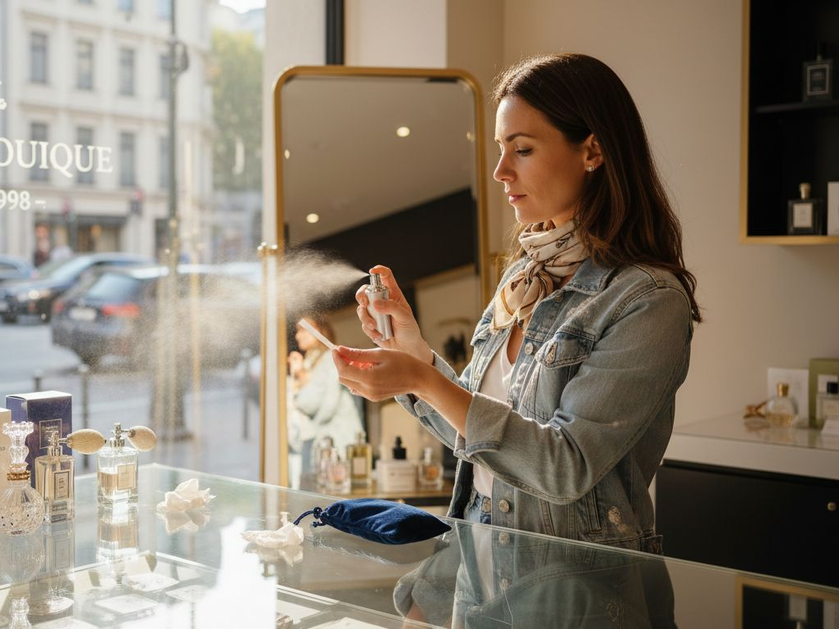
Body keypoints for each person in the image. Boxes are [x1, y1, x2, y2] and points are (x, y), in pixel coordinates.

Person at [332, 53, 700, 553]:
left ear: (592, 151)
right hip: (479, 570)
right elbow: (478, 434)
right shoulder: (526, 277)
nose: (500, 171)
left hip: (576, 583)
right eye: (501, 148)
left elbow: (564, 467)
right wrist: (412, 353)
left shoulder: (648, 301)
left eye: (522, 149)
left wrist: (422, 380)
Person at [287, 315, 363, 488]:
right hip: (325, 443)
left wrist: (299, 378)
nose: (298, 336)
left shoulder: (329, 359)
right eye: (297, 331)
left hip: (339, 441)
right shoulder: (311, 363)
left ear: (320, 331)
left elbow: (320, 405)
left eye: (304, 330)